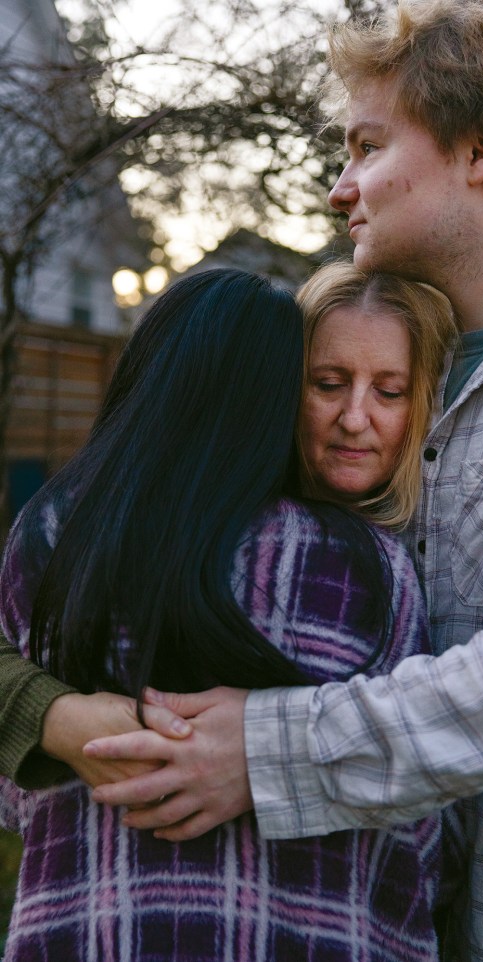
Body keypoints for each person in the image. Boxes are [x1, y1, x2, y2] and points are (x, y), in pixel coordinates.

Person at [80, 2, 483, 960]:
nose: (342, 189)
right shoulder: (391, 383)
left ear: (479, 149)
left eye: (367, 147)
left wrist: (271, 750)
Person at [0, 264, 454, 962]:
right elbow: (423, 825)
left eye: (388, 391)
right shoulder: (367, 567)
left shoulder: (53, 530)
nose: (353, 416)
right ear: (277, 397)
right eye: (325, 383)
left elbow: (12, 792)